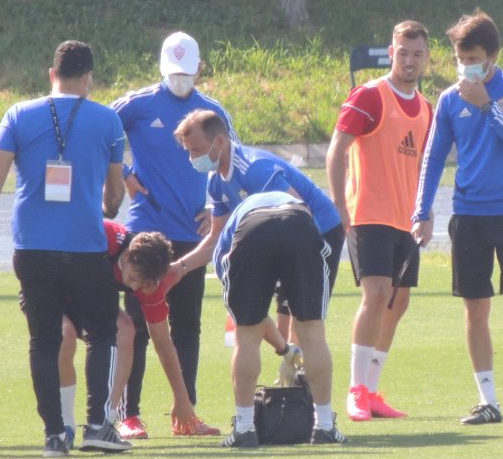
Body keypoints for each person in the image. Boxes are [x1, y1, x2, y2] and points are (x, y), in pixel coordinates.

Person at [0, 40, 131, 456]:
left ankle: (56, 434)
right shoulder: (108, 120)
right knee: (103, 332)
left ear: (51, 74)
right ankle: (98, 424)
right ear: (88, 78)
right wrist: (101, 206)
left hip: (32, 245)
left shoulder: (18, 114)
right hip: (85, 244)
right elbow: (114, 194)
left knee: (43, 341)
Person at [412, 12, 503, 425]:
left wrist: (487, 108)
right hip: (468, 216)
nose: (464, 65)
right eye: (458, 57)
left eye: (472, 57)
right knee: (475, 309)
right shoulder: (450, 100)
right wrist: (422, 210)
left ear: (492, 56)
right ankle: (488, 400)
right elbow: (433, 158)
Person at [107, 31, 233, 439]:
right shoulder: (138, 103)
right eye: (172, 72)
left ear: (199, 68)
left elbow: (232, 164)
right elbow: (100, 134)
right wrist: (124, 174)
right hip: (145, 229)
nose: (180, 79)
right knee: (140, 324)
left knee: (187, 326)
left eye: (187, 72)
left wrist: (216, 210)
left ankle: (187, 413)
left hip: (193, 236)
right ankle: (129, 414)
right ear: (162, 68)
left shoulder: (213, 112)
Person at [326, 20, 433, 422]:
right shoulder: (370, 96)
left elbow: (425, 165)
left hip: (405, 221)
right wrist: (340, 204)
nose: (409, 60)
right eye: (402, 52)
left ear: (426, 58)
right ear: (391, 52)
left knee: (398, 301)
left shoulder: (426, 108)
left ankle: (371, 390)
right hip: (368, 214)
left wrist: (426, 212)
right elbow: (337, 148)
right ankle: (354, 390)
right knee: (376, 294)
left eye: (417, 54)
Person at [195, 191, 346, 447]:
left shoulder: (230, 236)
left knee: (246, 337)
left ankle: (244, 427)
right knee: (313, 334)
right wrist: (287, 350)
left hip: (253, 229)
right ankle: (325, 426)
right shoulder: (287, 201)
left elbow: (252, 319)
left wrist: (280, 345)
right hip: (300, 224)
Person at [58, 223, 220, 446]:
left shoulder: (149, 284)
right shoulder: (104, 236)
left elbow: (163, 343)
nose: (134, 289)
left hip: (86, 297)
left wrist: (182, 400)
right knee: (64, 337)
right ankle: (62, 425)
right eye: (133, 279)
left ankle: (105, 421)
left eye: (140, 284)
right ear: (127, 258)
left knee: (126, 329)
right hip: (54, 288)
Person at [173, 110, 344, 314]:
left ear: (219, 142)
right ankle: (288, 346)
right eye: (189, 151)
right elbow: (216, 236)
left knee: (305, 317)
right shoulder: (216, 181)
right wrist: (180, 267)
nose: (193, 158)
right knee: (283, 312)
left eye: (197, 150)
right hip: (287, 236)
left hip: (320, 230)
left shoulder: (254, 170)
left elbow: (300, 214)